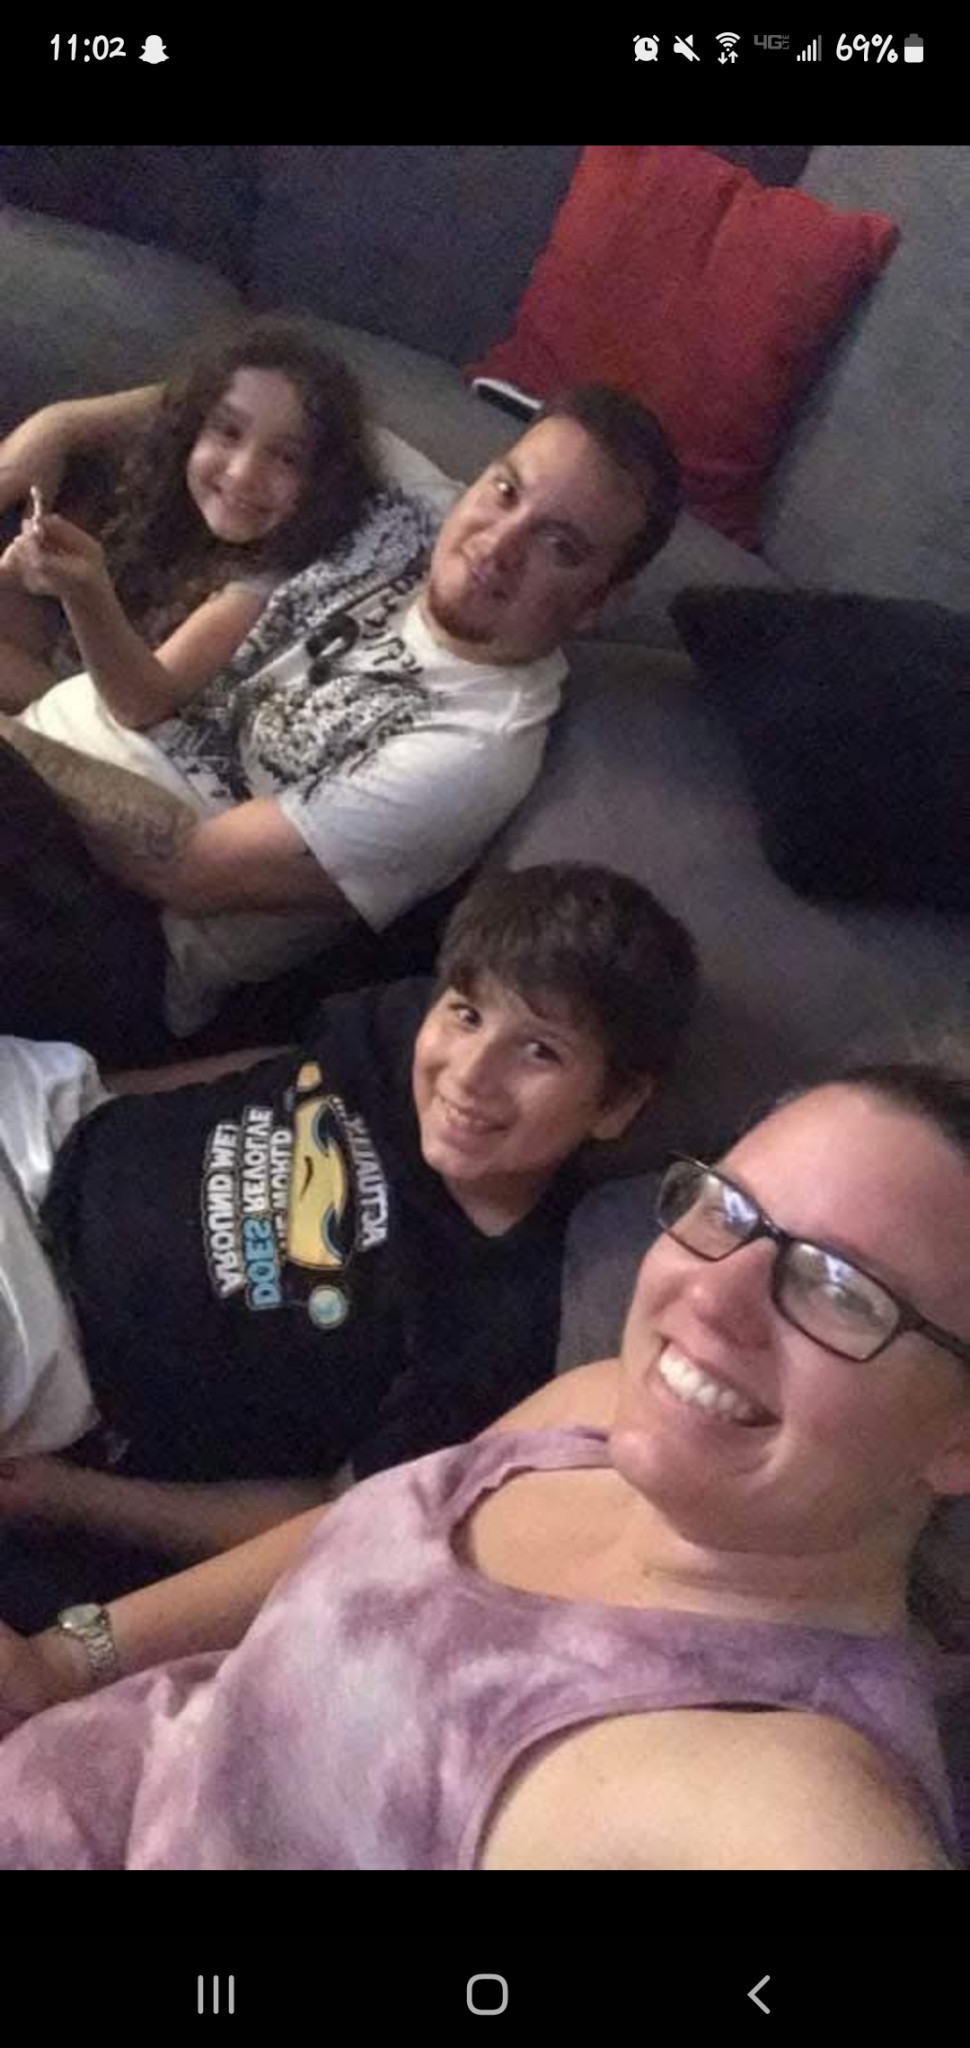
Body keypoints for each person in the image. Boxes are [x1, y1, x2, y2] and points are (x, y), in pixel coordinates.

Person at [0, 1053, 967, 1870]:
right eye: (729, 1208)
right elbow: (354, 1540)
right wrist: (68, 1661)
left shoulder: (790, 1795)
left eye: (843, 1289)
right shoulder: (604, 1410)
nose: (715, 1294)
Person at [0, 862, 697, 1591]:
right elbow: (275, 1071)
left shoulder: (494, 1322)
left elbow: (331, 1518)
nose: (469, 1073)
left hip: (49, 1320)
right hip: (48, 1111)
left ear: (616, 1105)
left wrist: (71, 1498)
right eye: (467, 1014)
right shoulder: (401, 1028)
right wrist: (108, 1093)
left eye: (540, 1050)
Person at [0, 381, 680, 1063]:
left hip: (112, 927)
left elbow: (184, 868)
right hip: (31, 779)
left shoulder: (477, 746)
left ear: (600, 605)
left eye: (559, 545)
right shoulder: (415, 503)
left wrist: (16, 746)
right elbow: (245, 388)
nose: (498, 543)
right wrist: (60, 426)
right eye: (506, 491)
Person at [0, 312, 379, 710]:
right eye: (229, 432)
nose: (243, 473)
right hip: (64, 659)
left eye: (286, 457)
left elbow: (145, 703)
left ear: (324, 480)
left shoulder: (264, 582)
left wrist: (86, 591)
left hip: (116, 713)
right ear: (192, 428)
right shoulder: (162, 495)